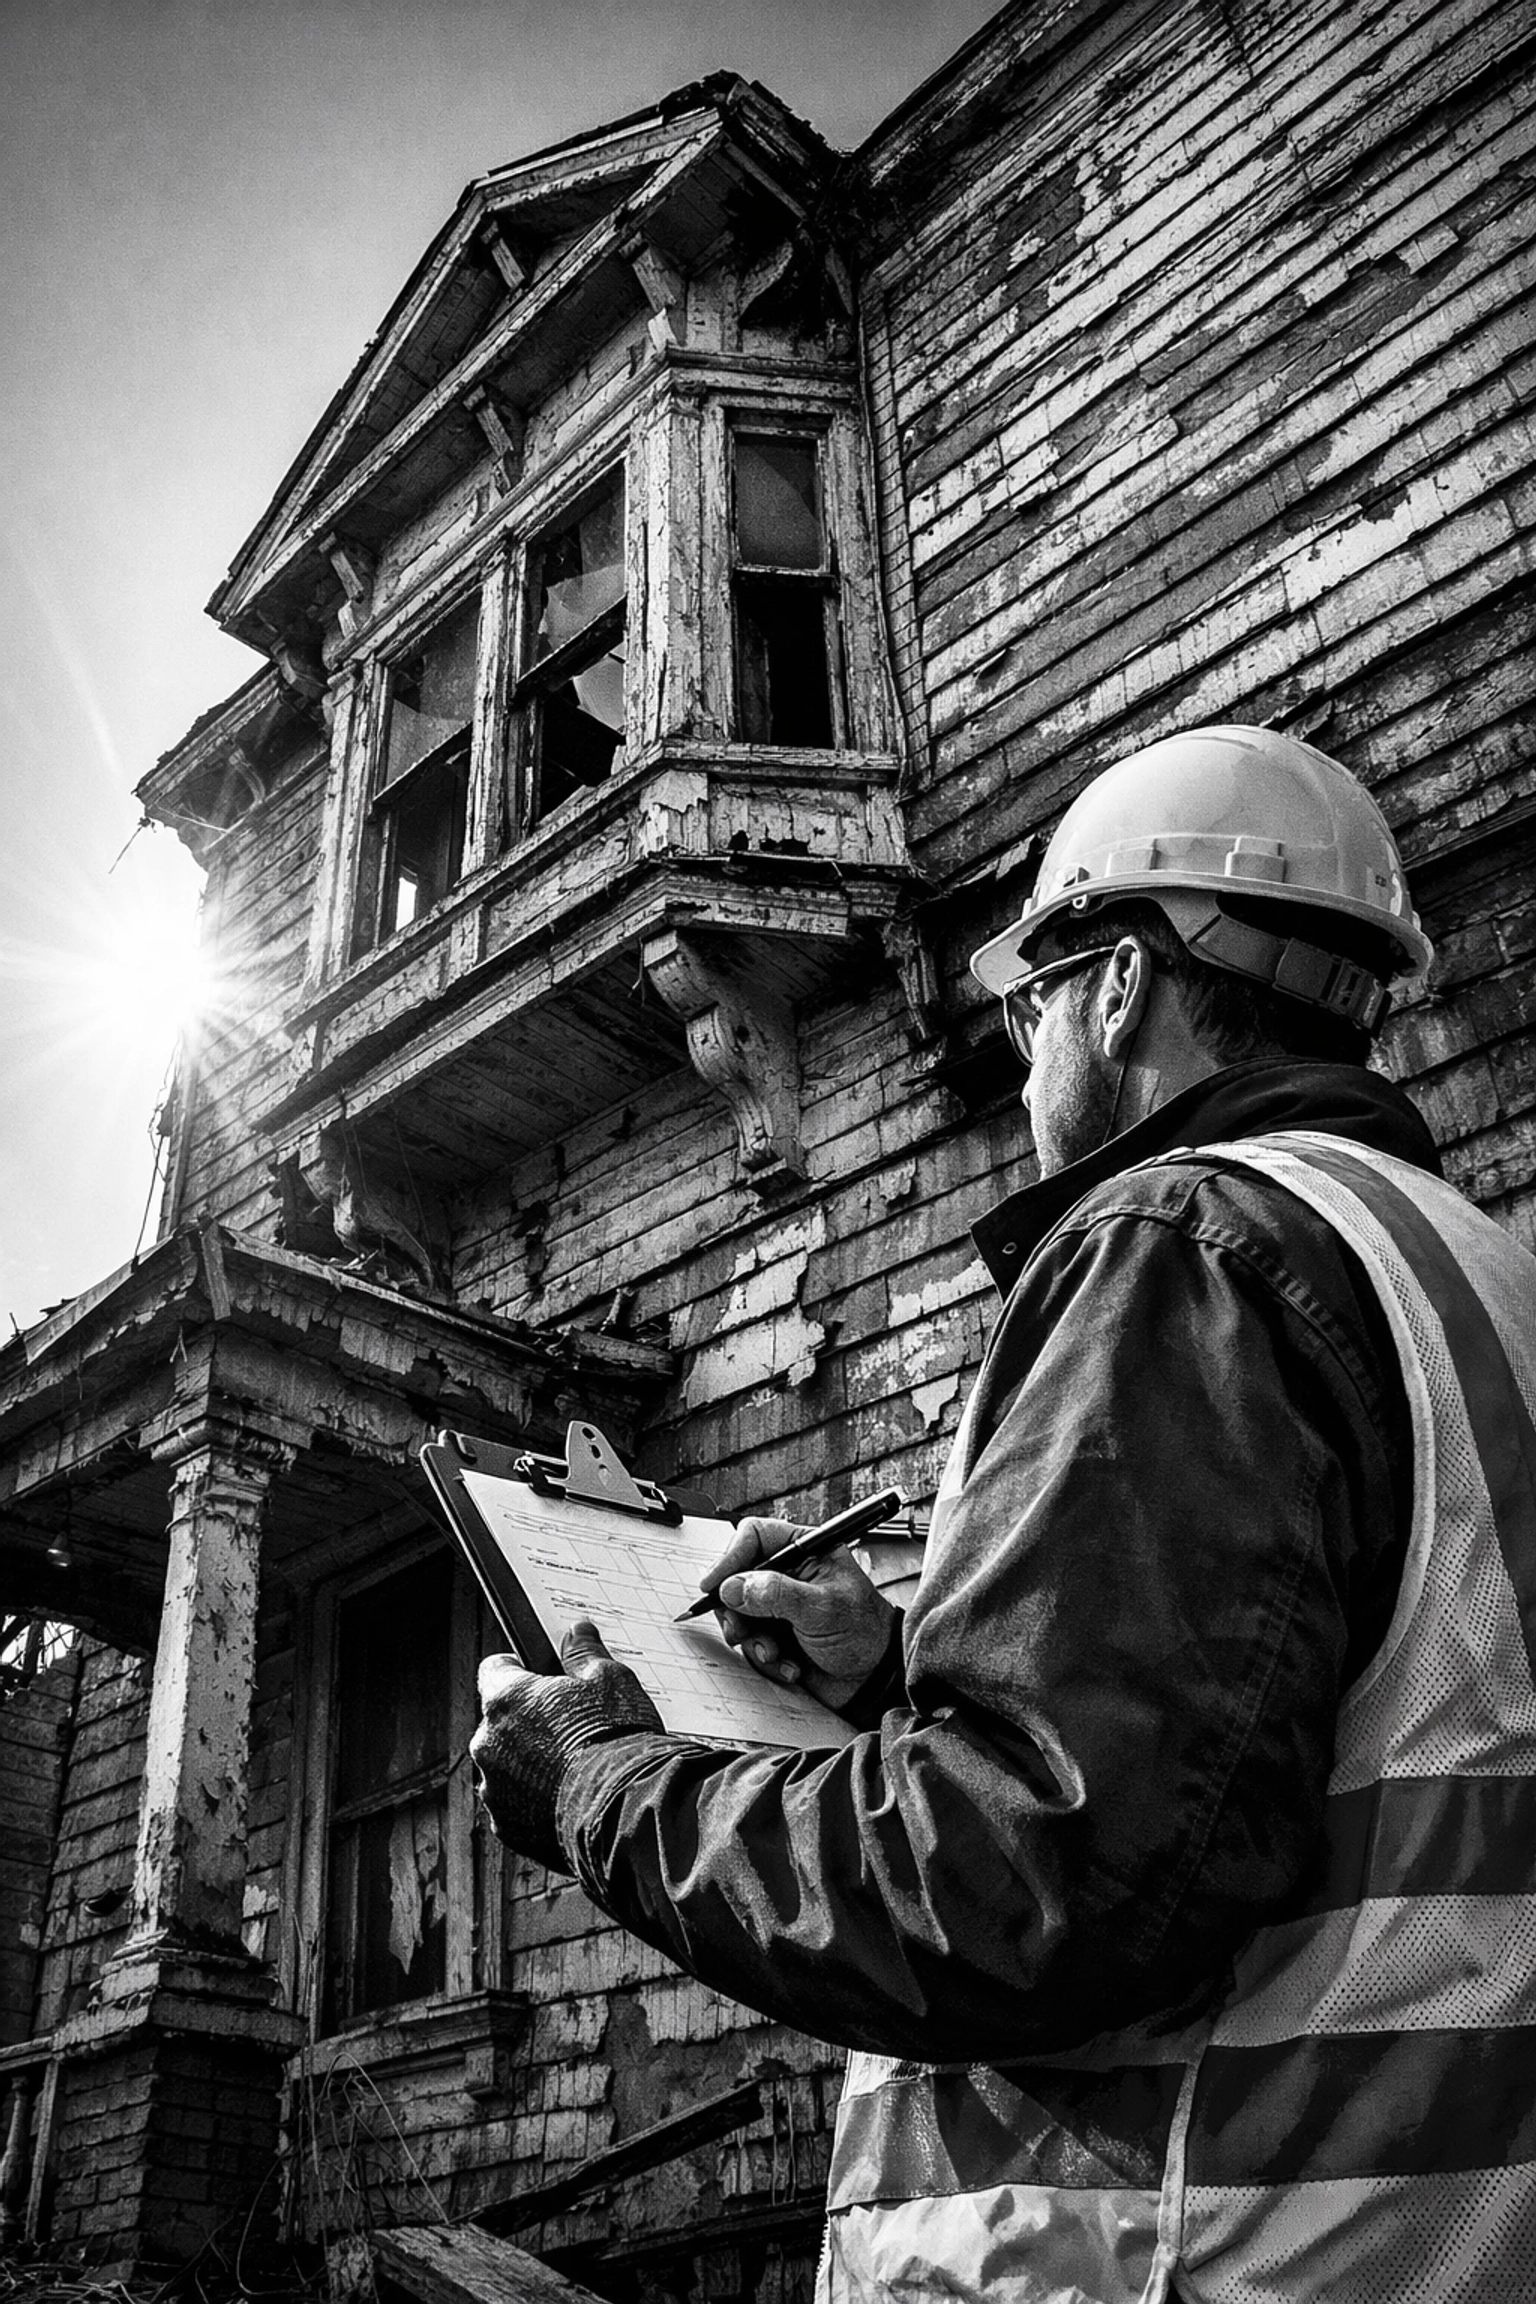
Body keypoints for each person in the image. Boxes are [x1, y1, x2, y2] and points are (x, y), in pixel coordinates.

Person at [472, 725, 1536, 2303]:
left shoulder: (1183, 1246)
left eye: (1032, 1004)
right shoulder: (1466, 1274)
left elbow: (1019, 1886)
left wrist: (602, 1786)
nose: (1027, 1057)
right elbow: (1301, 1730)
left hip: (1211, 2249)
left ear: (1120, 987)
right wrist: (903, 1667)